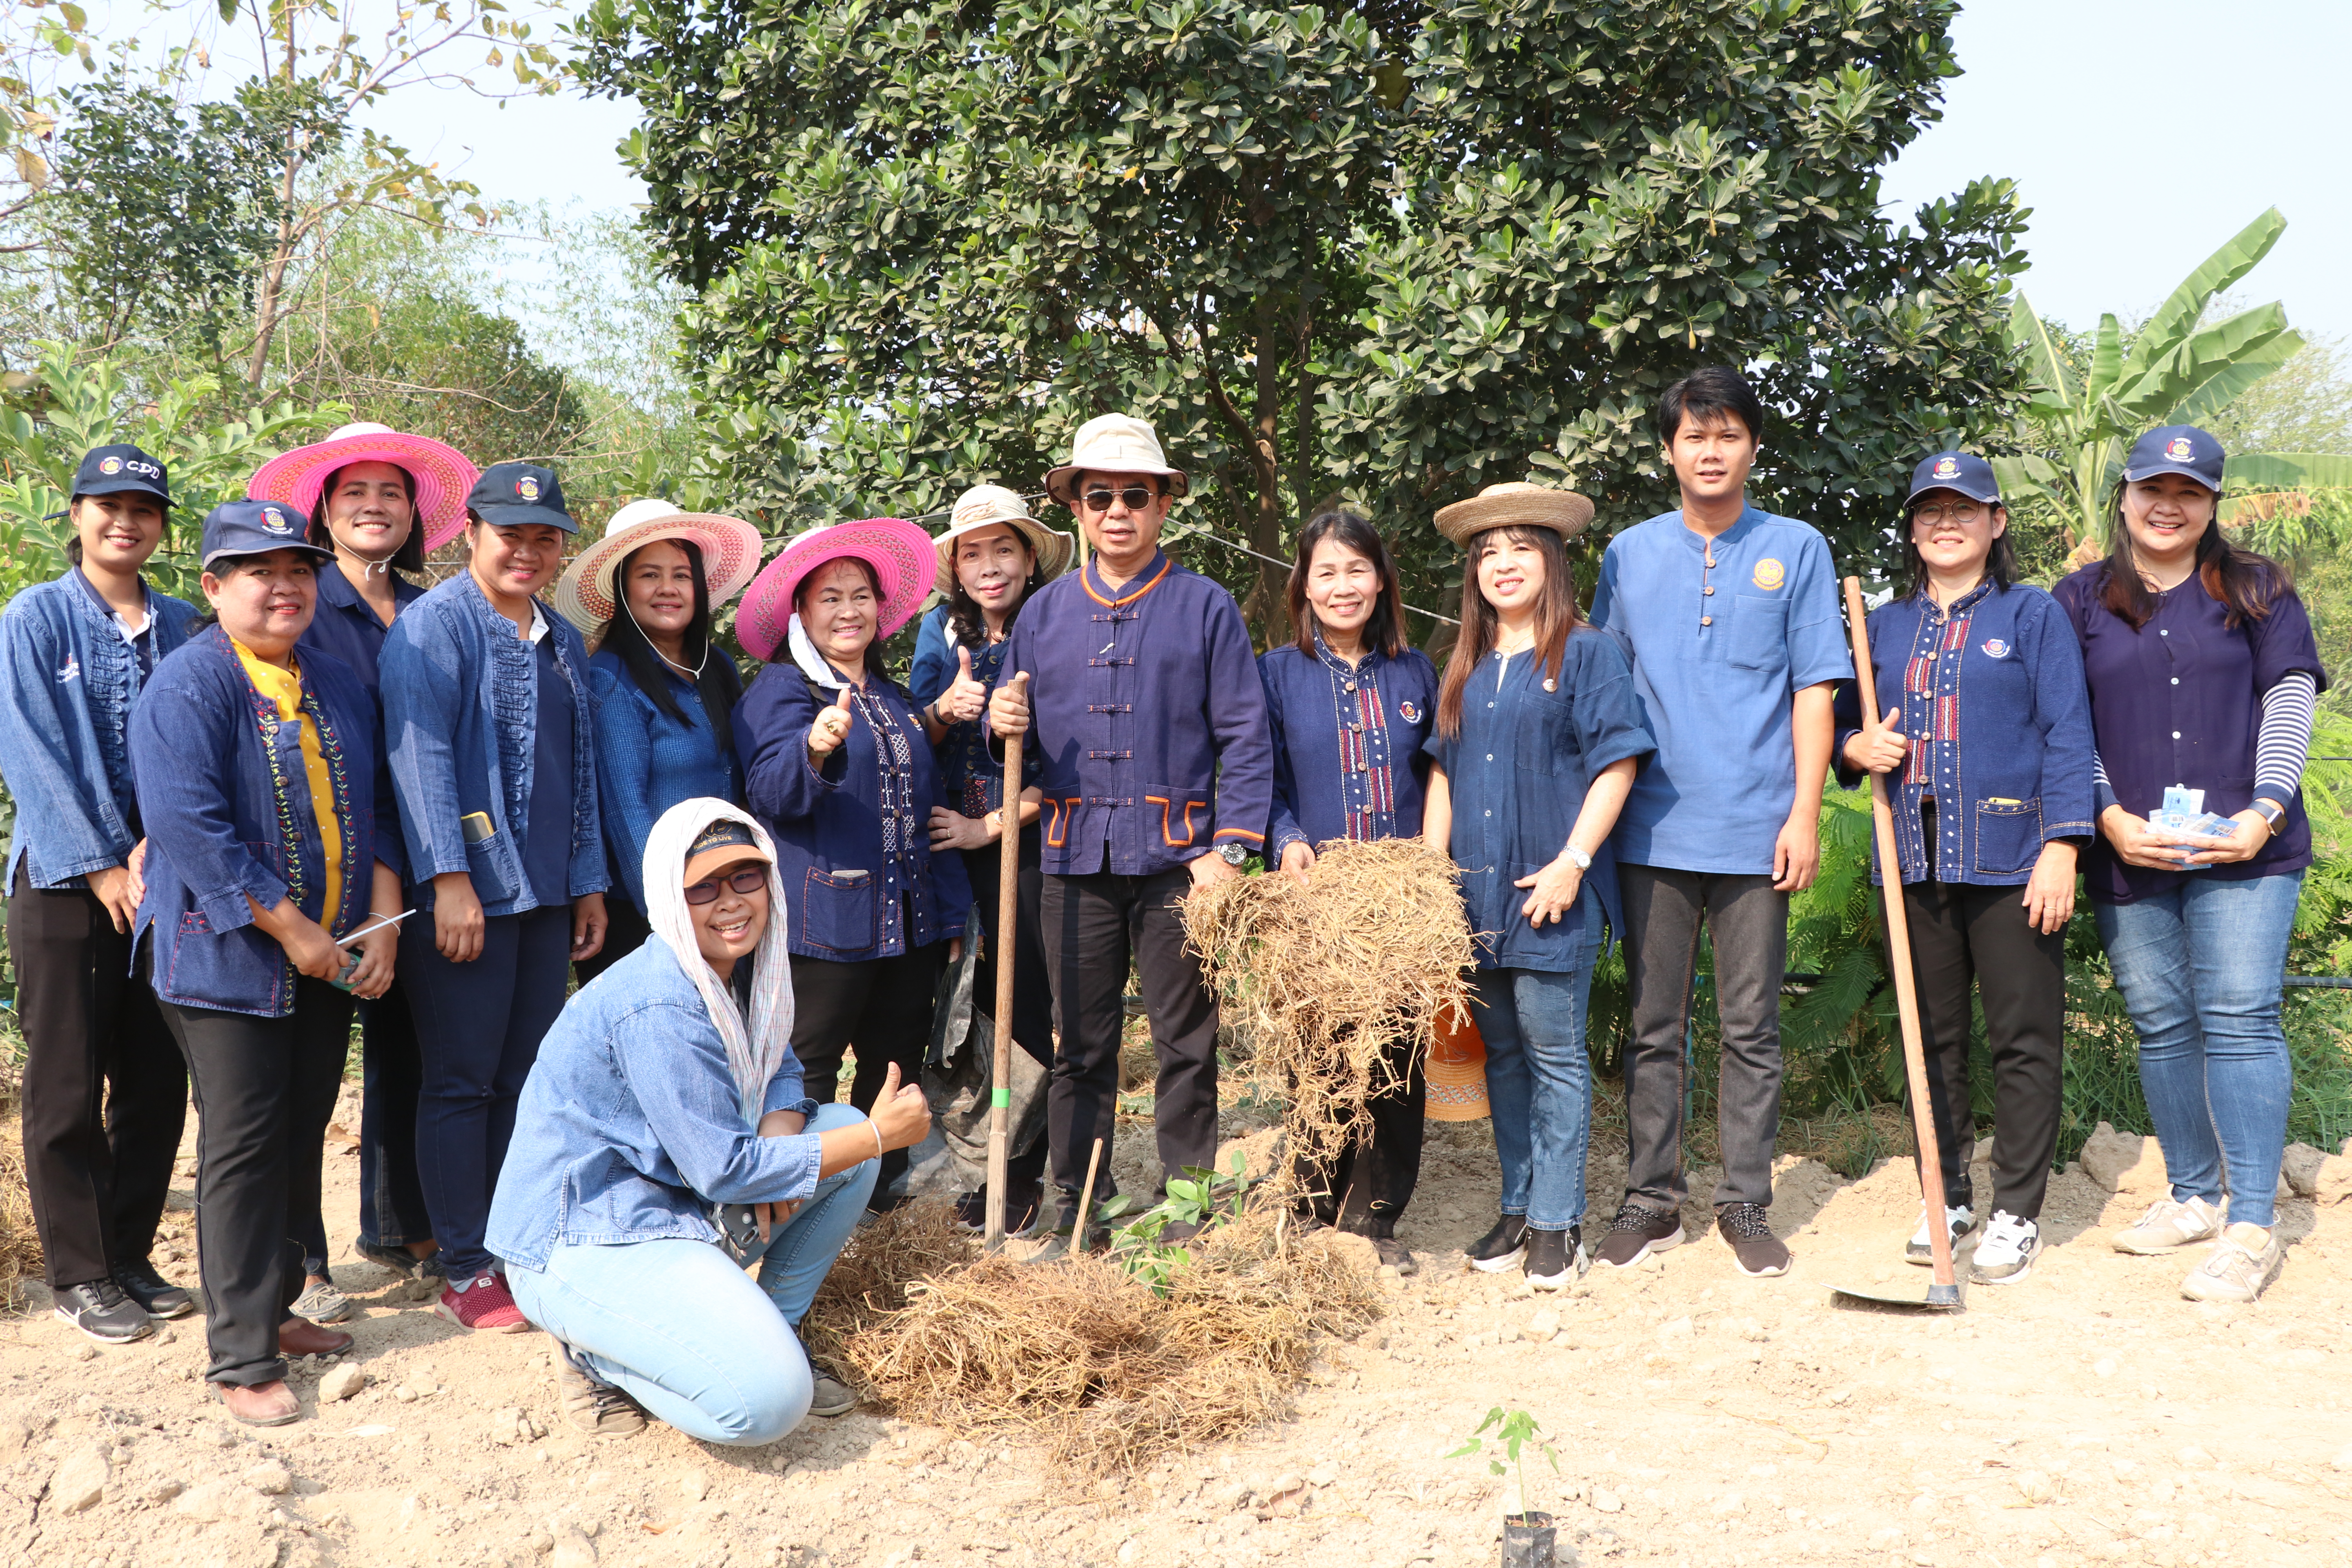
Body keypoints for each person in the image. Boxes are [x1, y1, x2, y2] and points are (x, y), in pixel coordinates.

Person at [490, 802, 926, 1439]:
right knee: (770, 1406)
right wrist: (879, 1135)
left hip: (672, 1203)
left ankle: (773, 1325)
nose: (732, 902)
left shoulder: (737, 966)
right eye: (704, 887)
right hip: (590, 1237)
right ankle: (596, 1355)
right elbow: (726, 1172)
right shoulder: (659, 1003)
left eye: (746, 878)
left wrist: (783, 1147)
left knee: (836, 1131)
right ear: (671, 897)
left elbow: (779, 1067)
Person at [130, 499, 407, 1425]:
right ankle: (240, 1351)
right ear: (214, 587)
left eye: (298, 568)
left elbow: (370, 803)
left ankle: (277, 1306)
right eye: (259, 570)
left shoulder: (329, 678)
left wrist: (378, 919)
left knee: (298, 1131)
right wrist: (293, 928)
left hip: (325, 951)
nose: (284, 585)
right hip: (225, 960)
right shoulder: (191, 682)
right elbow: (191, 827)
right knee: (243, 1147)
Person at [1586, 367, 1850, 1279]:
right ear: (1668, 450)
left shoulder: (1797, 547)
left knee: (1752, 1026)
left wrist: (1806, 813)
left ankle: (1744, 1201)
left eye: (1727, 434)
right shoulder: (1627, 553)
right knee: (1653, 1023)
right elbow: (1603, 687)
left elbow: (1816, 688)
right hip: (1651, 831)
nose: (1710, 450)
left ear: (1751, 447)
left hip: (1756, 829)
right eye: (1694, 436)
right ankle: (1652, 1199)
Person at [2053, 425, 2325, 1305]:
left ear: (2212, 503)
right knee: (2163, 1020)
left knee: (2241, 1014)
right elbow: (2068, 724)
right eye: (2152, 488)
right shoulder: (2079, 599)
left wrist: (2264, 811)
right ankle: (2195, 1194)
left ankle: (2252, 1222)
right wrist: (2106, 815)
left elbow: (2288, 698)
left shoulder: (2258, 588)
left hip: (2247, 843)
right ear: (2124, 494)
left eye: (2190, 491)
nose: (2168, 505)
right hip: (2132, 839)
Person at [985, 414, 1274, 1243]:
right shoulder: (1042, 614)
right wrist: (1001, 718)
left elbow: (1245, 736)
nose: (1118, 511)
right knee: (1081, 1044)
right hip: (1073, 858)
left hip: (1182, 863)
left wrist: (1231, 848)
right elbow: (1013, 735)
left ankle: (1187, 1203)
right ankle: (1084, 1204)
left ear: (1162, 507)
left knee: (1187, 1040)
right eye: (1100, 495)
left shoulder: (1206, 606)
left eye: (1135, 496)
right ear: (1077, 507)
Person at [1834, 452, 2095, 1285]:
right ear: (1912, 527)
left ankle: (2017, 1210)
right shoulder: (1883, 624)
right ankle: (1944, 1193)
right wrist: (1856, 746)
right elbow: (1845, 729)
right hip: (1912, 858)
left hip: (2013, 859)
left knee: (2023, 1039)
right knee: (1931, 1037)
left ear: (1996, 522)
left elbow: (2067, 733)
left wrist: (2063, 845)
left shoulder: (2032, 616)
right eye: (1930, 511)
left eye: (1966, 509)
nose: (1947, 523)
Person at [249, 420, 479, 1314]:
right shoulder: (302, 603)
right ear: (325, 513)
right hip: (317, 866)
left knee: (413, 1047)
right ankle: (302, 1255)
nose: (376, 508)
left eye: (392, 493)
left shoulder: (431, 608)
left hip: (426, 856)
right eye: (356, 495)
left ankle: (400, 1222)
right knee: (303, 1069)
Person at [380, 463, 609, 1333]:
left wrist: (586, 881)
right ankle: (463, 1258)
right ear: (470, 532)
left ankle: (515, 1236)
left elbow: (577, 775)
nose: (526, 549)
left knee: (525, 1075)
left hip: (548, 894)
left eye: (544, 535)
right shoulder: (433, 627)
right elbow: (422, 760)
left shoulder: (563, 637)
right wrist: (448, 880)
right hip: (470, 894)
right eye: (509, 532)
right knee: (462, 1078)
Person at [1420, 484, 1654, 1288]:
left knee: (1555, 1057)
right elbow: (1444, 774)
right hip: (1475, 900)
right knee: (1504, 1060)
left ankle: (1559, 1220)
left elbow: (1617, 762)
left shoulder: (1586, 652)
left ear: (1551, 559)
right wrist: (1427, 875)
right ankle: (1517, 1205)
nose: (1503, 563)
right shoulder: (1469, 667)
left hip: (1552, 897)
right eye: (1488, 551)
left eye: (1521, 546)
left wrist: (1573, 860)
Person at [0, 444, 198, 1341]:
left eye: (144, 508)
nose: (126, 521)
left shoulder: (187, 623)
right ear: (75, 513)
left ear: (161, 525)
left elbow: (199, 743)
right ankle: (78, 1272)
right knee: (68, 1083)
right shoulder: (35, 618)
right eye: (107, 505)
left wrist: (164, 842)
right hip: (63, 886)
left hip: (164, 883)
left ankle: (129, 1252)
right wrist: (101, 864)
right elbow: (30, 754)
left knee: (157, 1078)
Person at [734, 518, 973, 1212]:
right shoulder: (781, 691)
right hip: (822, 923)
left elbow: (928, 812)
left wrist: (949, 914)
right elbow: (769, 793)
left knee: (894, 1062)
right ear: (801, 614)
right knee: (807, 1069)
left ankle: (877, 1196)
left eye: (861, 595)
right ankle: (797, 1203)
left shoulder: (894, 700)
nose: (848, 610)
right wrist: (812, 746)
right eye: (830, 597)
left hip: (908, 924)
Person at [1259, 508, 1441, 1273]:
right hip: (1318, 895)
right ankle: (1312, 1213)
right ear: (1304, 583)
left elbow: (1437, 773)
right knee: (1323, 1054)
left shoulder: (1414, 671)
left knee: (1398, 1059)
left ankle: (1379, 1218)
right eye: (1327, 571)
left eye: (1357, 570)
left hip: (1401, 898)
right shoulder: (1275, 672)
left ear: (1381, 580)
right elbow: (1255, 779)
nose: (1343, 586)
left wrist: (1432, 867)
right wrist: (1286, 837)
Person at [908, 485, 1071, 1234]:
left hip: (1029, 847)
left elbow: (1073, 762)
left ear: (1030, 555)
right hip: (947, 848)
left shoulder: (1057, 623)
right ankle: (973, 1160)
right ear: (955, 566)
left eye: (1004, 548)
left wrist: (993, 828)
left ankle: (1024, 1169)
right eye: (973, 553)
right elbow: (915, 737)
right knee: (962, 1012)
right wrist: (949, 709)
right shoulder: (940, 632)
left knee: (1024, 1006)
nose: (990, 566)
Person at [554, 497, 761, 982]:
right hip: (655, 914)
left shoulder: (719, 667)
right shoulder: (612, 677)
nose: (668, 589)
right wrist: (672, 915)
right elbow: (627, 812)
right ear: (622, 587)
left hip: (724, 902)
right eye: (649, 575)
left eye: (682, 575)